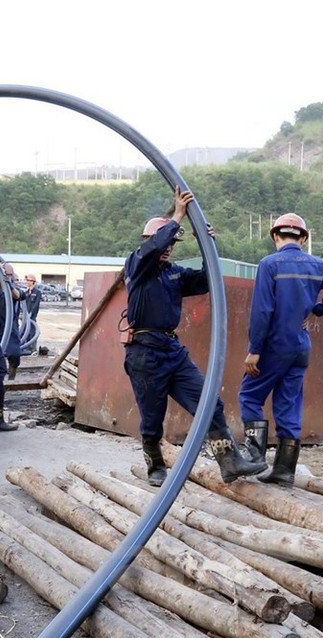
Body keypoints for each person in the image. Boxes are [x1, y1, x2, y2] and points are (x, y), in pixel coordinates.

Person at [122, 186, 257, 487]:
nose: (168, 248)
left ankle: (229, 461)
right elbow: (154, 248)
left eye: (173, 244)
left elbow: (207, 280)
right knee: (152, 417)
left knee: (210, 403)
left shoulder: (173, 274)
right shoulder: (136, 265)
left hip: (172, 351)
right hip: (144, 353)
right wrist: (178, 216)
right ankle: (155, 464)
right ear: (147, 241)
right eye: (164, 242)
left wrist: (205, 244)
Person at [238, 213, 323, 487]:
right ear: (303, 238)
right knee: (288, 404)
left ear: (276, 236)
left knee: (249, 396)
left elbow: (262, 311)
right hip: (301, 346)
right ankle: (284, 470)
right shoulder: (317, 265)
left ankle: (255, 458)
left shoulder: (269, 264)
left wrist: (255, 349)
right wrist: (316, 309)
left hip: (274, 345)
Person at [22, 274, 42, 354]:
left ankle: (32, 349)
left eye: (28, 281)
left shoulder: (37, 292)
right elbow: (23, 304)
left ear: (32, 282)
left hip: (32, 317)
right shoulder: (26, 293)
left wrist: (31, 314)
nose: (27, 282)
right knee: (24, 332)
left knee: (32, 332)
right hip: (25, 317)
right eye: (26, 280)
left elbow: (36, 305)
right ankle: (25, 348)